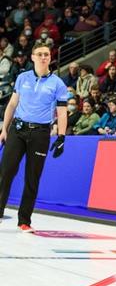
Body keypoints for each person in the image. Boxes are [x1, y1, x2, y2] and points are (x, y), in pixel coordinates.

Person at [0, 43, 67, 233]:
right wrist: (4, 129)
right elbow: (12, 105)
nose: (44, 57)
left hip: (40, 134)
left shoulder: (57, 83)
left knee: (32, 177)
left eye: (46, 54)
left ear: (50, 57)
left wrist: (62, 136)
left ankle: (24, 220)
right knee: (5, 172)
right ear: (33, 57)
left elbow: (62, 112)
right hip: (18, 130)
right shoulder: (22, 78)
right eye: (40, 54)